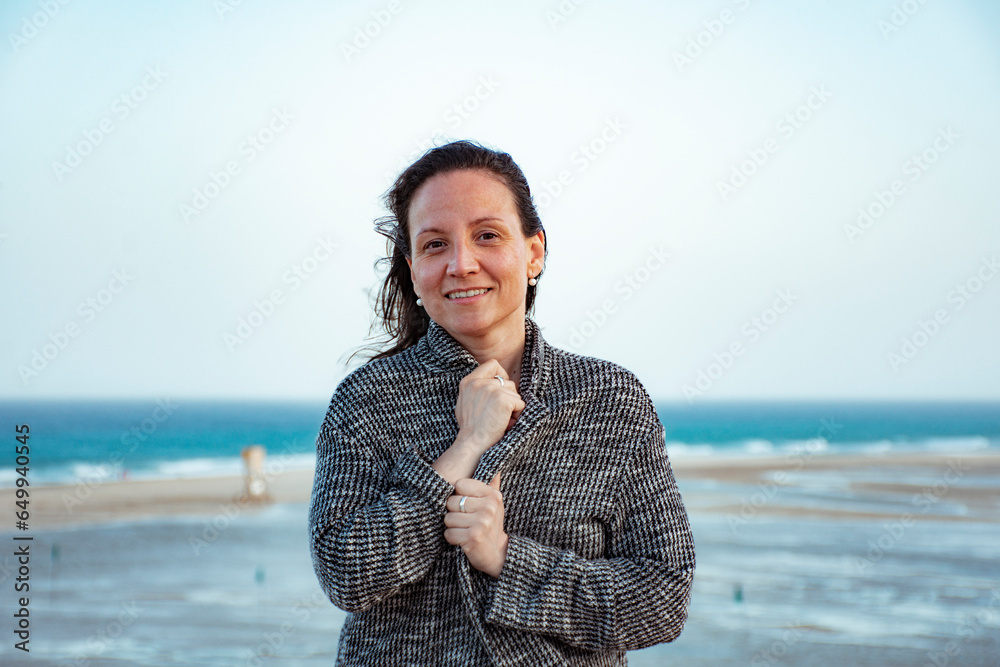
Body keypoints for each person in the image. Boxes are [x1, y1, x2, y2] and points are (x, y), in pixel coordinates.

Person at [308, 140, 695, 665]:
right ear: (413, 266)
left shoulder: (609, 398)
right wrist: (463, 449)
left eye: (486, 236)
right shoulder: (368, 398)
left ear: (533, 252)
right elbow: (344, 576)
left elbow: (664, 597)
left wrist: (509, 560)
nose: (462, 264)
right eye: (435, 244)